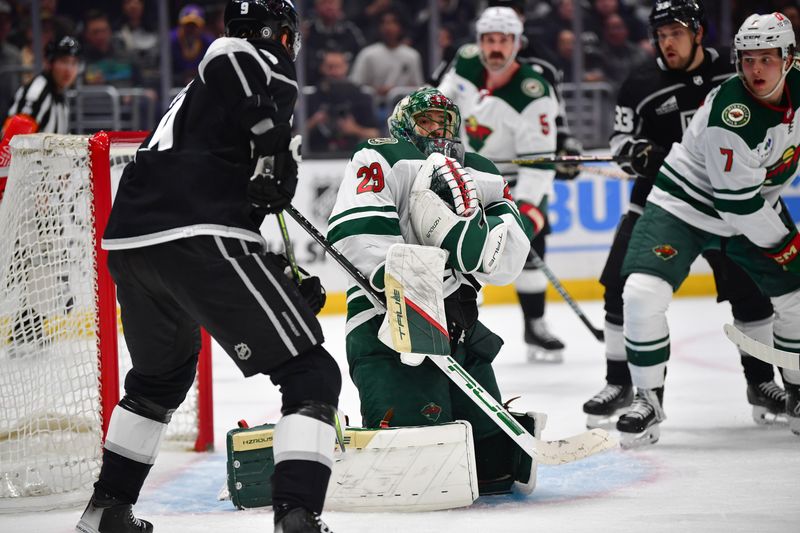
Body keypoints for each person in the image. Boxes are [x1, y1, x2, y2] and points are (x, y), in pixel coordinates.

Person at [75, 2, 341, 532]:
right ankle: (296, 516)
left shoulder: (205, 105)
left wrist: (276, 274)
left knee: (159, 381)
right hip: (194, 237)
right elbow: (226, 54)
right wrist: (268, 133)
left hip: (134, 243)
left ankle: (107, 511)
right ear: (279, 35)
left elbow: (238, 206)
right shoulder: (245, 59)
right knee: (312, 373)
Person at [583, 0, 788, 432]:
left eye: (675, 33)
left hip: (731, 202)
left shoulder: (735, 72)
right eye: (660, 35)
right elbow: (620, 140)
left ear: (698, 32)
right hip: (665, 198)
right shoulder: (639, 83)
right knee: (623, 287)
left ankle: (762, 381)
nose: (666, 43)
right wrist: (635, 153)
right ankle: (621, 383)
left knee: (751, 293)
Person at [327, 86, 540, 496]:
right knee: (417, 466)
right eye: (426, 120)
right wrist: (412, 280)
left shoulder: (479, 168)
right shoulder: (380, 155)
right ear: (405, 124)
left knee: (494, 465)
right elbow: (358, 234)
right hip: (386, 325)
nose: (436, 129)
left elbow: (507, 251)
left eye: (443, 122)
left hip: (458, 324)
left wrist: (474, 243)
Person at [438, 6, 564, 362]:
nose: (495, 48)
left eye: (503, 41)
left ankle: (535, 326)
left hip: (514, 183)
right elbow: (440, 105)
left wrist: (523, 208)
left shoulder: (534, 91)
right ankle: (458, 326)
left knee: (528, 250)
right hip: (464, 175)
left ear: (516, 44)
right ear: (478, 42)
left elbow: (539, 164)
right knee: (458, 255)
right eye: (488, 40)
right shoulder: (464, 62)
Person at [305, 48, 380, 155]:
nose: (334, 72)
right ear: (322, 68)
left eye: (338, 67)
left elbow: (376, 135)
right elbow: (294, 136)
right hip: (317, 154)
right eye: (330, 67)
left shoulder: (361, 96)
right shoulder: (311, 97)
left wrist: (355, 129)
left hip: (353, 154)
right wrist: (314, 121)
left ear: (346, 67)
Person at [3, 34, 80, 135]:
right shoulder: (36, 93)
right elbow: (12, 140)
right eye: (63, 61)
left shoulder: (60, 95)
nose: (69, 69)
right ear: (49, 63)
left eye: (74, 63)